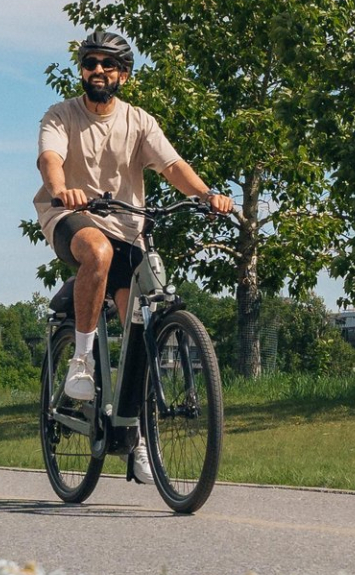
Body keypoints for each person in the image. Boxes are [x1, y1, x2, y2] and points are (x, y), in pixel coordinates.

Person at [33, 31, 232, 469]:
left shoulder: (139, 120)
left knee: (142, 324)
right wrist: (62, 189)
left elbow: (173, 165)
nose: (97, 70)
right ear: (82, 70)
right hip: (69, 217)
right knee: (97, 253)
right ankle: (80, 364)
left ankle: (135, 433)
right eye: (90, 63)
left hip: (128, 226)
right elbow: (49, 158)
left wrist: (206, 195)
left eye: (107, 64)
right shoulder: (61, 115)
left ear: (123, 74)